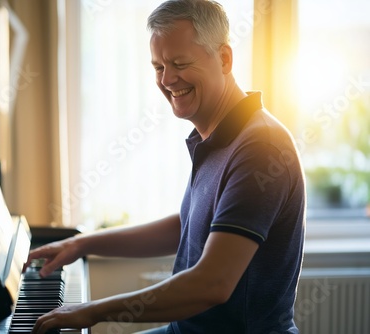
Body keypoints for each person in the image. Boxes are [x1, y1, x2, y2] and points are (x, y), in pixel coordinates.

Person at [28, 0, 306, 333]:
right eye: (158, 66)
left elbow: (212, 284)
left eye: (179, 63)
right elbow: (187, 227)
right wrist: (82, 243)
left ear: (224, 58)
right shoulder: (218, 138)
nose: (168, 79)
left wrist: (93, 311)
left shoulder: (260, 149)